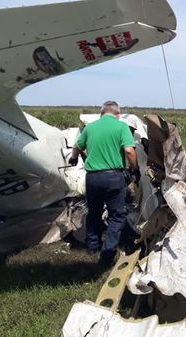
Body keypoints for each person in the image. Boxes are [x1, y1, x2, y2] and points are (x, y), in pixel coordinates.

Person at [69, 100, 139, 266]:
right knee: (116, 216)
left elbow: (77, 146)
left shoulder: (90, 128)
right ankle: (107, 255)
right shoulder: (121, 127)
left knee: (93, 213)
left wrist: (74, 158)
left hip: (92, 178)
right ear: (118, 114)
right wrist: (134, 169)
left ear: (101, 114)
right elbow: (129, 150)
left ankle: (92, 247)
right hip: (114, 178)